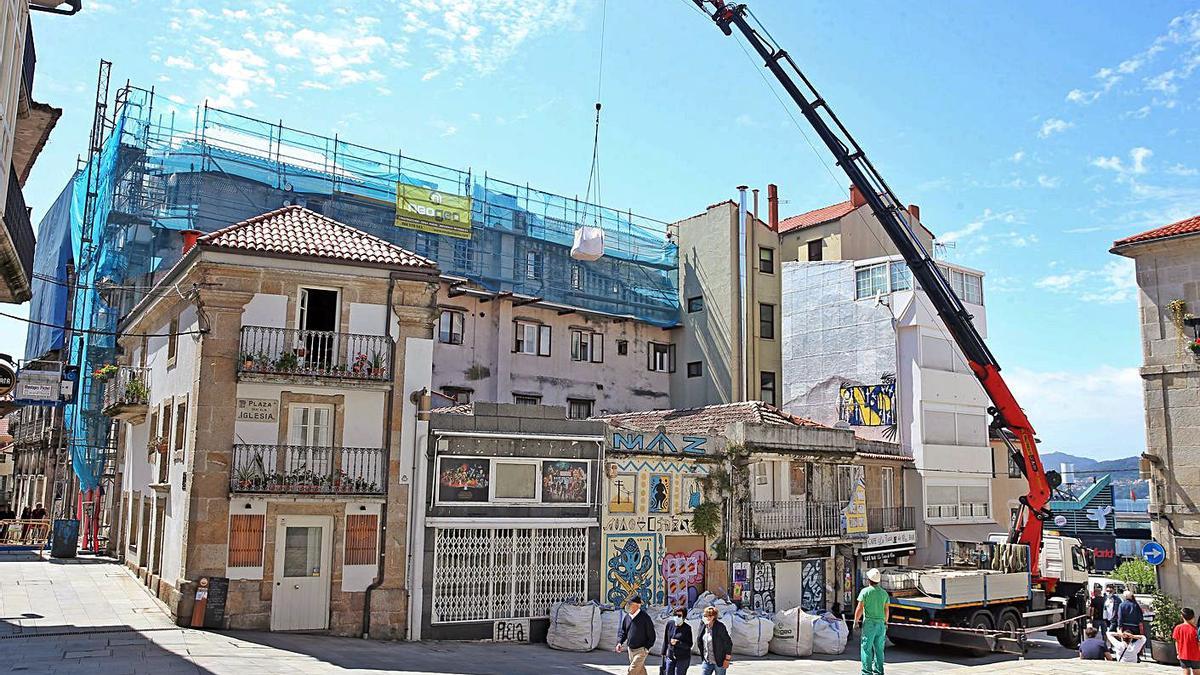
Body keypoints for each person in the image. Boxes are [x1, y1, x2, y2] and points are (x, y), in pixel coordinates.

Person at [855, 567, 890, 675]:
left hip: (869, 624)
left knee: (866, 648)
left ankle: (867, 672)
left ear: (869, 580)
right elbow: (886, 610)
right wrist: (886, 622)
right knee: (879, 650)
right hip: (881, 624)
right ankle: (879, 672)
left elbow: (860, 608)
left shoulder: (865, 592)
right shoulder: (884, 593)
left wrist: (856, 621)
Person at [616, 595, 655, 675]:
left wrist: (647, 648)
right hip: (630, 649)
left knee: (632, 670)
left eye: (630, 604)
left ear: (637, 606)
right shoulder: (627, 617)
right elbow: (623, 631)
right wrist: (620, 642)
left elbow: (652, 635)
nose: (628, 605)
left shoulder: (645, 618)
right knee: (640, 671)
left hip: (641, 650)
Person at [696, 606, 732, 675]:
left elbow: (728, 643)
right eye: (705, 615)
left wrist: (727, 659)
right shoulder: (703, 625)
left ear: (713, 617)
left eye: (708, 616)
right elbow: (699, 640)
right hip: (707, 661)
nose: (706, 617)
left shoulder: (720, 627)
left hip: (719, 661)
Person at [660, 607, 692, 675]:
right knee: (668, 672)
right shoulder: (670, 624)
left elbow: (689, 645)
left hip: (683, 658)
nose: (677, 617)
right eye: (675, 615)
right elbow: (666, 639)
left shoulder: (687, 628)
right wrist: (663, 653)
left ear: (684, 617)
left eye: (679, 615)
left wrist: (678, 643)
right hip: (670, 656)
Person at [1173, 607, 1200, 674]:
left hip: (1183, 655)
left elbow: (1177, 641)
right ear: (1193, 617)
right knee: (1196, 672)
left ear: (1182, 617)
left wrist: (1178, 653)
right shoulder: (1196, 630)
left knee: (1186, 671)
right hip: (1196, 655)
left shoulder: (1178, 628)